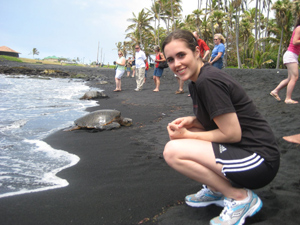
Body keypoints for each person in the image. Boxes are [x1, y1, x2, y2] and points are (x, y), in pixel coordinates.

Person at [162, 29, 280, 225]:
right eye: (171, 60)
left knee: (172, 152)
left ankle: (240, 198)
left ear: (197, 52)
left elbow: (232, 133)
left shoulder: (208, 81)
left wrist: (188, 134)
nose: (177, 64)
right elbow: (218, 121)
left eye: (181, 55)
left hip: (260, 161)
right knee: (183, 138)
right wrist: (193, 122)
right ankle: (216, 190)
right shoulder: (196, 81)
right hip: (245, 151)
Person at [270, 17, 300, 104]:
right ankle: (288, 99)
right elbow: (295, 41)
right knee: (294, 77)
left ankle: (275, 91)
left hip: (292, 55)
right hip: (291, 55)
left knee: (290, 78)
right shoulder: (299, 28)